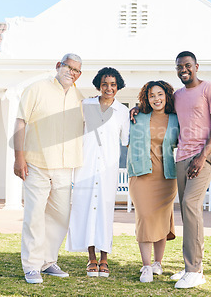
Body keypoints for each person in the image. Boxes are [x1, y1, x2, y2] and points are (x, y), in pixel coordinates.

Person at [130, 51, 211, 289]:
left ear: (196, 66)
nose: (184, 69)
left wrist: (203, 156)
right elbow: (157, 110)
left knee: (192, 206)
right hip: (181, 158)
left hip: (202, 156)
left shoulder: (209, 89)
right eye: (179, 67)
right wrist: (136, 108)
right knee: (186, 210)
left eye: (188, 65)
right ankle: (189, 266)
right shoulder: (178, 96)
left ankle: (195, 270)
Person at [14, 53, 84, 284]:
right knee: (34, 216)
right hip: (36, 163)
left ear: (79, 75)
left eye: (76, 70)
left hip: (65, 167)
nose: (71, 72)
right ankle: (32, 266)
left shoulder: (78, 96)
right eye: (68, 67)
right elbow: (20, 122)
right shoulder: (36, 89)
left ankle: (47, 261)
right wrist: (19, 157)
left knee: (60, 217)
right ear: (58, 66)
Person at [66, 67, 130, 278]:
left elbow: (126, 141)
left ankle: (104, 259)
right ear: (98, 85)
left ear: (118, 85)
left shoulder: (122, 111)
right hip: (85, 167)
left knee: (104, 213)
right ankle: (91, 258)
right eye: (105, 84)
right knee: (85, 210)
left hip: (107, 170)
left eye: (112, 84)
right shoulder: (86, 105)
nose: (109, 88)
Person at [127, 80, 179, 283]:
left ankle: (158, 263)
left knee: (161, 218)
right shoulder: (137, 116)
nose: (156, 98)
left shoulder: (175, 119)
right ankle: (146, 266)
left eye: (160, 94)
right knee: (145, 217)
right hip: (140, 175)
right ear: (146, 99)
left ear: (166, 95)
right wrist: (134, 108)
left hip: (166, 177)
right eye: (151, 95)